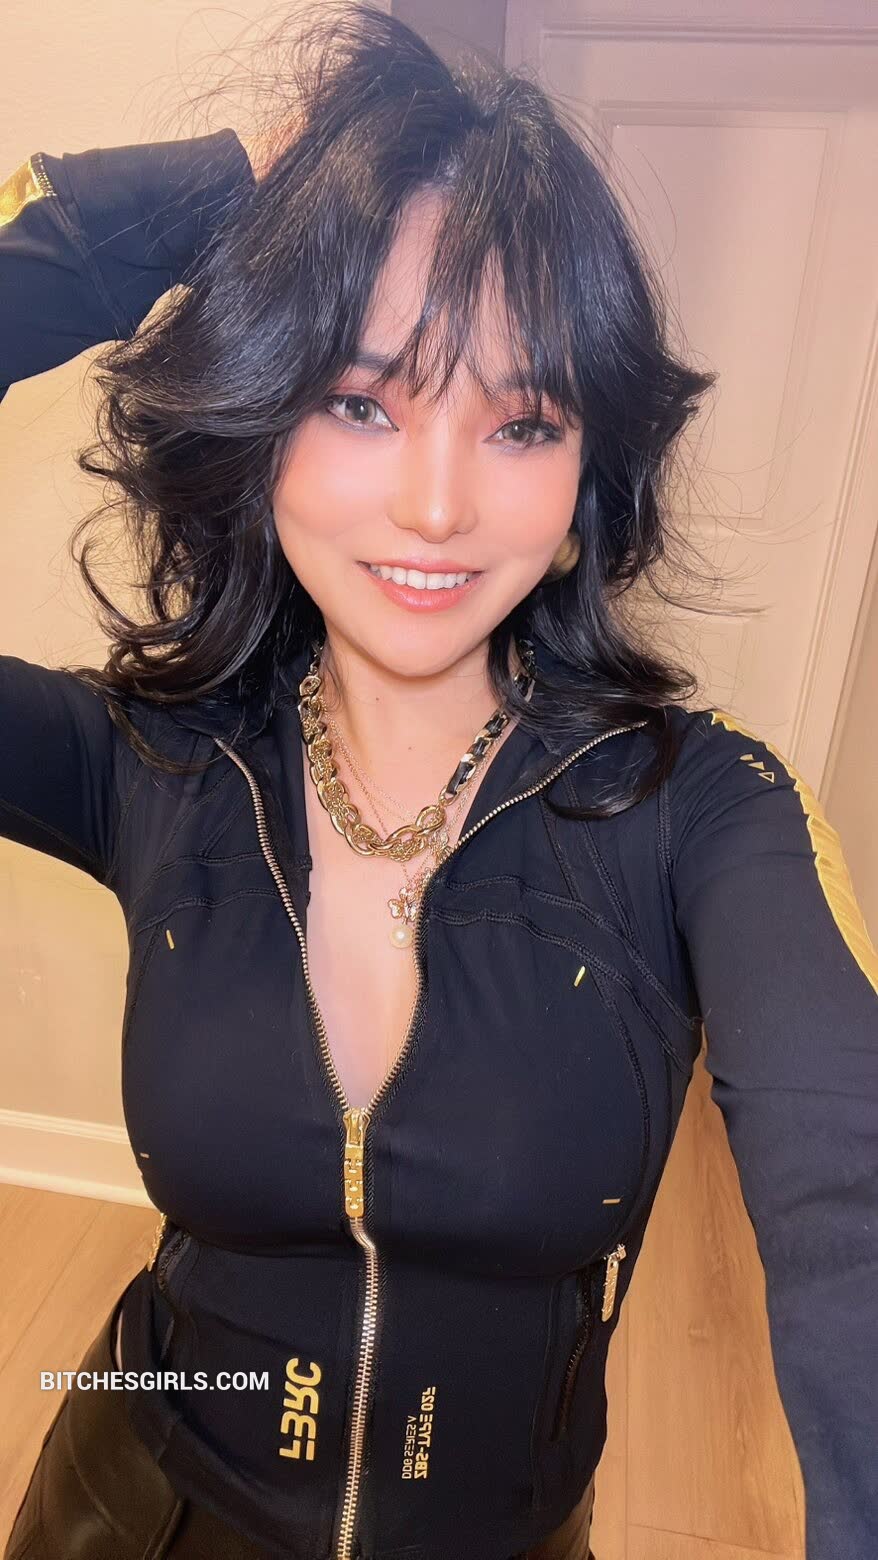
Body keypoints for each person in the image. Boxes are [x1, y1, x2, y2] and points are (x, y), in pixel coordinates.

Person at [1, 4, 876, 1558]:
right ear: (263, 421)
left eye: (519, 420)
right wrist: (215, 197)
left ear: (587, 470)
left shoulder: (704, 808)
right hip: (127, 1513)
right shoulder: (144, 761)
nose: (435, 502)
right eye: (359, 399)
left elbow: (849, 1186)